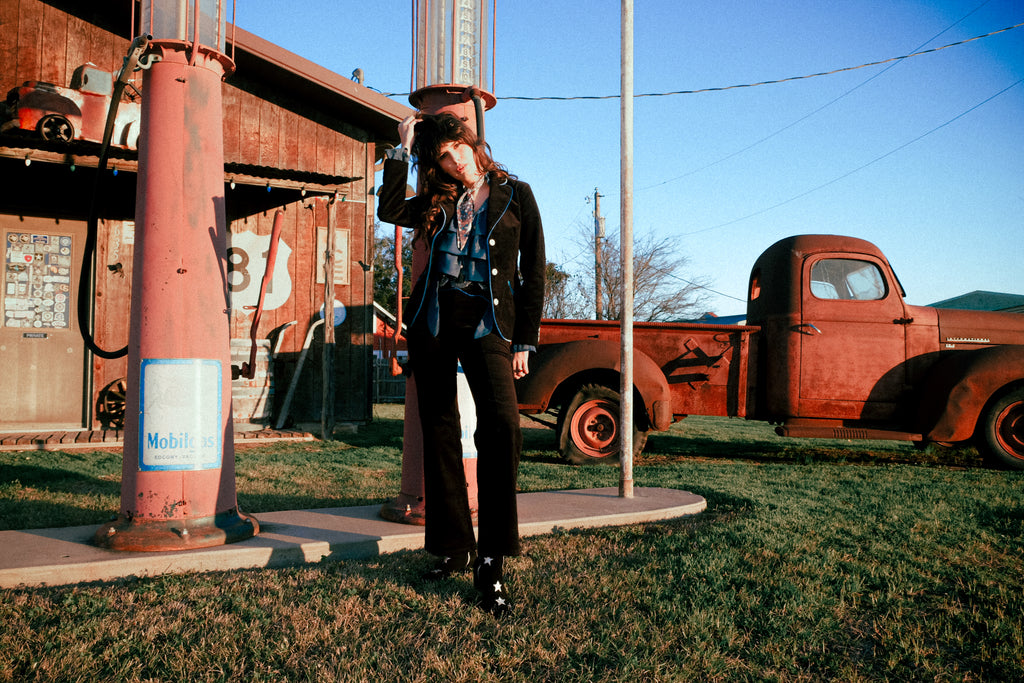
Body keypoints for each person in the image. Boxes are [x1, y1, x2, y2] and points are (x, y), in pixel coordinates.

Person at [377, 112, 545, 617]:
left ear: (471, 142)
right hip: (433, 321)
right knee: (440, 430)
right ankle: (454, 547)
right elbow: (388, 210)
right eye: (442, 158)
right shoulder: (435, 199)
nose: (453, 161)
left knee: (500, 429)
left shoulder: (517, 194)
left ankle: (490, 561)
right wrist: (402, 151)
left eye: (456, 149)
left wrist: (524, 342)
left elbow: (533, 271)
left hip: (489, 323)